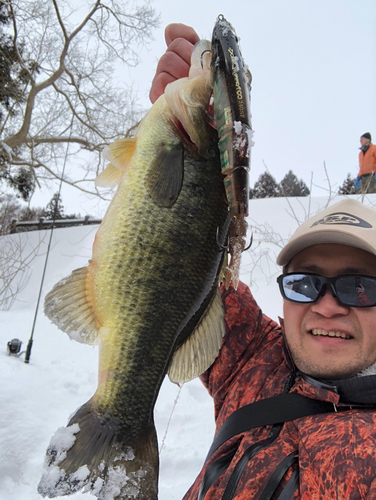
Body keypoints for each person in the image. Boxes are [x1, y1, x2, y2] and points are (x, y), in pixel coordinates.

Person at [151, 24, 376, 499]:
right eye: (305, 283)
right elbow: (181, 270)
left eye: (360, 287)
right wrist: (180, 150)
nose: (328, 306)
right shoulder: (255, 359)